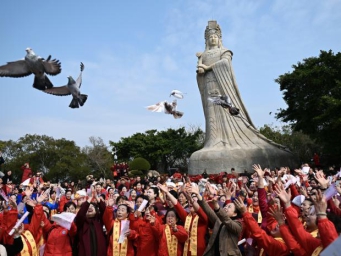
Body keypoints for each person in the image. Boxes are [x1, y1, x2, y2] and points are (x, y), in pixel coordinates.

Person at [195, 21, 256, 149]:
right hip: (209, 85)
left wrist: (207, 67)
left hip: (222, 85)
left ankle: (230, 138)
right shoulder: (204, 54)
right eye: (210, 37)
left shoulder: (225, 51)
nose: (212, 38)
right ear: (206, 40)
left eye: (215, 36)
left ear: (219, 39)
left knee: (225, 108)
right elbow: (200, 70)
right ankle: (213, 139)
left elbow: (225, 63)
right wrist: (201, 70)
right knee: (212, 110)